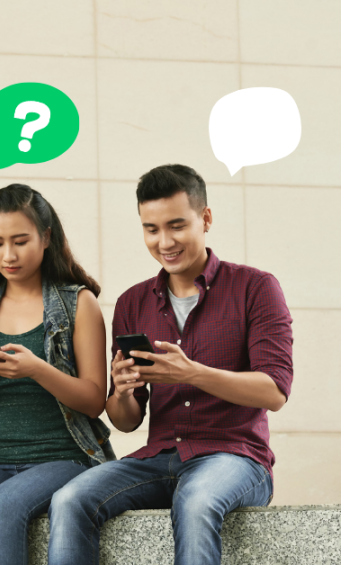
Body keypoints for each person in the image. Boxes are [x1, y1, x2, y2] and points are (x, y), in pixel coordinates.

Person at [48, 164, 293, 565]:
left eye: (177, 226)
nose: (165, 241)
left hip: (235, 457)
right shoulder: (133, 302)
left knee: (195, 502)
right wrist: (123, 390)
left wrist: (191, 373)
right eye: (151, 229)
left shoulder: (255, 288)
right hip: (159, 457)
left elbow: (275, 391)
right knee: (71, 498)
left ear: (206, 219)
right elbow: (125, 419)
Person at [0, 184, 114, 565]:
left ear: (46, 238)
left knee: (6, 503)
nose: (8, 255)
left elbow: (95, 399)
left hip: (64, 457)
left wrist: (37, 369)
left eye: (20, 241)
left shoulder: (78, 302)